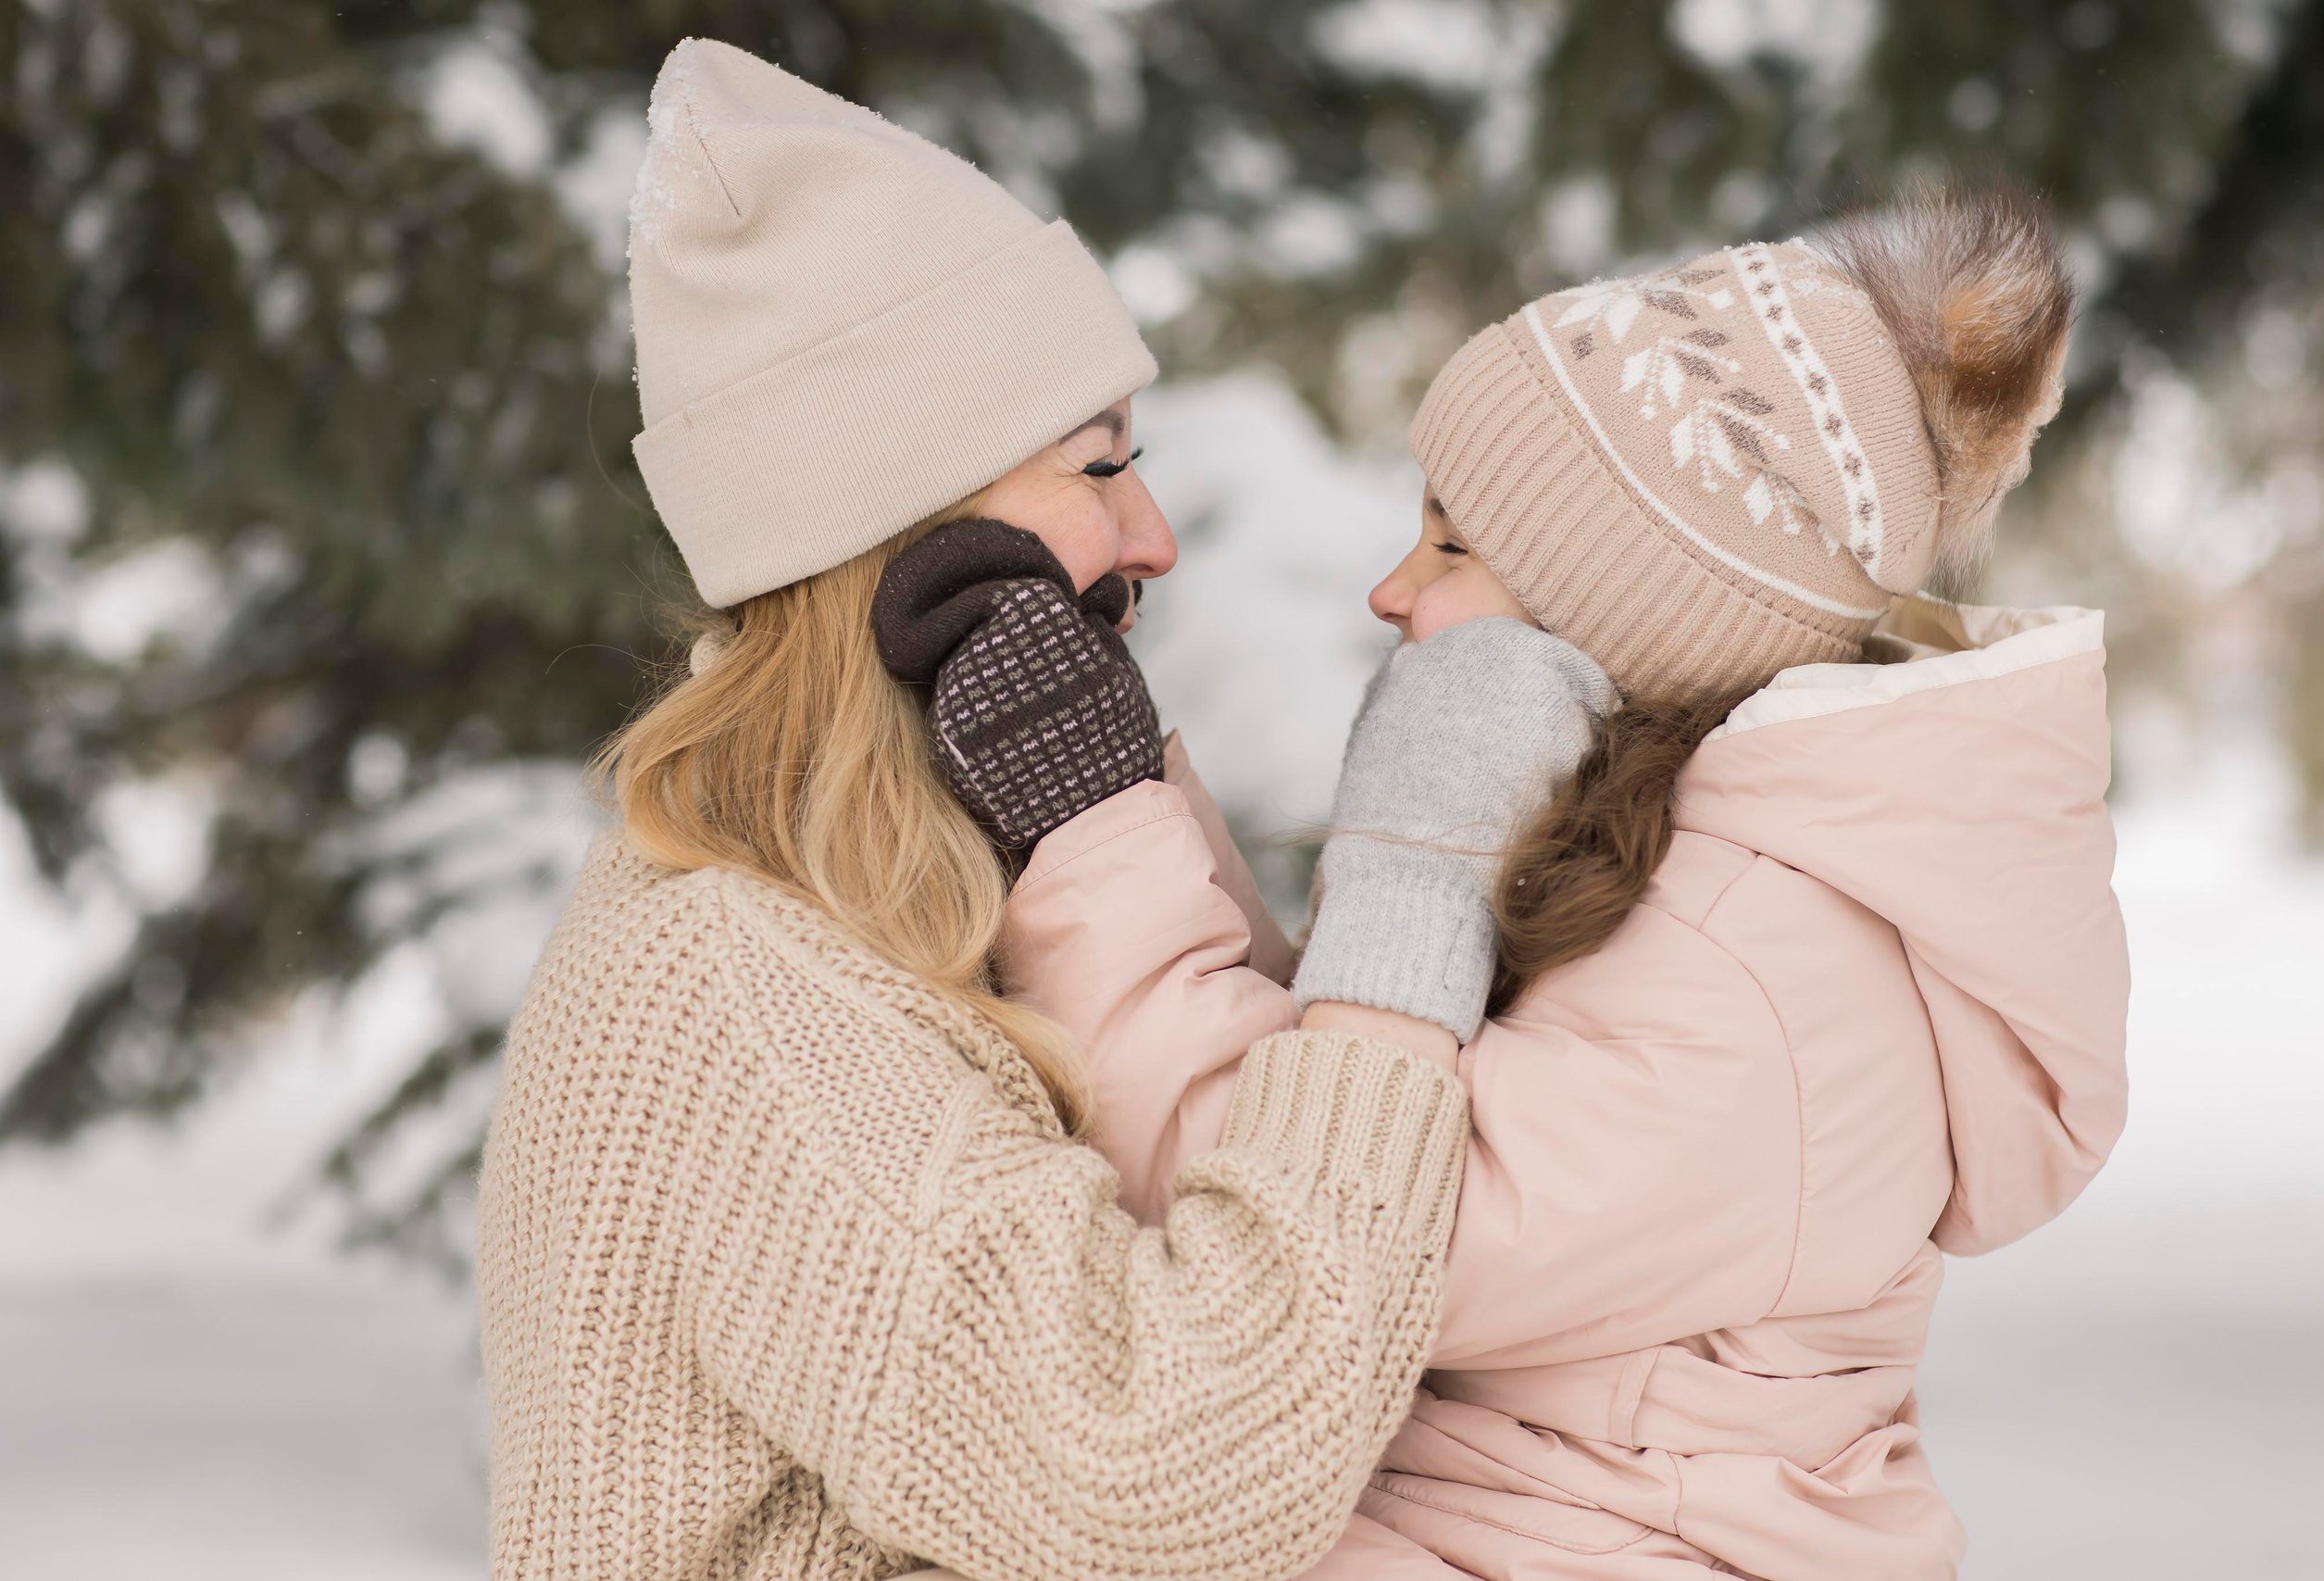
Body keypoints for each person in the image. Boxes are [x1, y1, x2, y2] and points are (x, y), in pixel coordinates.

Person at [999, 188, 2131, 1577]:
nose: (1391, 591)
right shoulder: (1681, 879)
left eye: (1454, 545)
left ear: (1620, 620)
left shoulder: (1756, 981)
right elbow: (1346, 1073)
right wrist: (1139, 796)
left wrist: (1086, 819)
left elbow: (1320, 1236)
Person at [476, 40, 1491, 1581]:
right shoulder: (741, 993)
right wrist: (1402, 948)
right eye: (1097, 468)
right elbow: (1166, 1467)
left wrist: (1121, 815)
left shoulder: (897, 903)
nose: (1149, 533)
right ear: (910, 537)